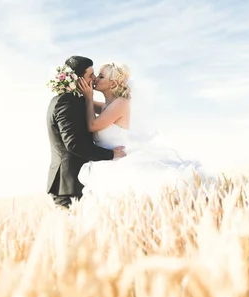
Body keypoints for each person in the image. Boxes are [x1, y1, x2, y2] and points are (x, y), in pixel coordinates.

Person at [76, 62, 217, 202]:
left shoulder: (121, 103)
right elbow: (89, 106)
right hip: (106, 157)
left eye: (101, 77)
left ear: (112, 84)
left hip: (116, 159)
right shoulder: (107, 105)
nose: (95, 79)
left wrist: (89, 98)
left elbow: (93, 125)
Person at [46, 56, 127, 209]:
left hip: (80, 181)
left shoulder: (76, 101)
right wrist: (111, 155)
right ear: (78, 80)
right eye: (91, 75)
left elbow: (107, 109)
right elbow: (74, 144)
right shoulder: (66, 103)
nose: (94, 78)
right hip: (69, 184)